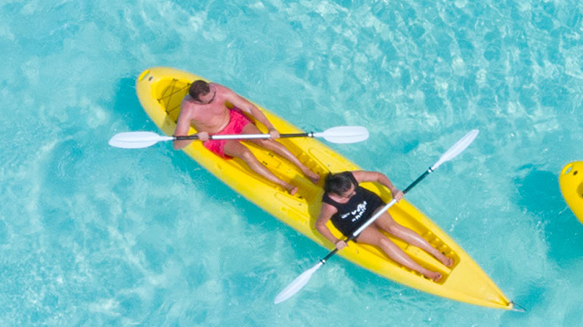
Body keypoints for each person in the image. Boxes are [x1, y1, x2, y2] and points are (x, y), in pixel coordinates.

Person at [173, 79, 319, 195]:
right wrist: (195, 136)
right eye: (209, 101)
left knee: (265, 140)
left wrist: (270, 127)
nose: (214, 99)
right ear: (197, 101)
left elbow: (249, 108)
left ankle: (304, 169)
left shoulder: (217, 90)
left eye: (213, 95)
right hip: (217, 137)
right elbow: (177, 144)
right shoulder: (188, 109)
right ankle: (284, 184)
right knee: (245, 154)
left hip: (234, 120)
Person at [315, 170, 454, 282]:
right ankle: (424, 271)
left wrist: (393, 189)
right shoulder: (329, 206)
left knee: (393, 228)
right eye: (350, 195)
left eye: (354, 189)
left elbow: (377, 176)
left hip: (370, 205)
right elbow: (320, 225)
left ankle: (437, 254)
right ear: (337, 195)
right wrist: (335, 241)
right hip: (354, 224)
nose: (355, 193)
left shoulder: (351, 177)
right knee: (383, 241)